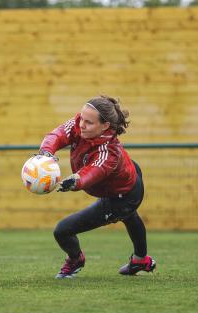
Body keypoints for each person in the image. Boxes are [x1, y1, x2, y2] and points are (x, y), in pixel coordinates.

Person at [39, 95, 156, 279]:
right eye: (82, 118)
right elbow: (59, 134)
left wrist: (75, 181)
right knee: (130, 216)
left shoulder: (109, 152)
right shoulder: (80, 123)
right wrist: (46, 152)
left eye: (89, 122)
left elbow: (94, 171)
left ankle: (75, 260)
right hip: (127, 176)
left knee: (62, 231)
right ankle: (141, 260)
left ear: (105, 126)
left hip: (122, 197)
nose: (81, 125)